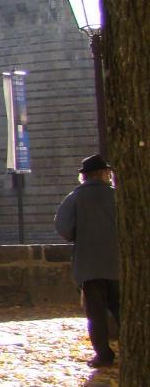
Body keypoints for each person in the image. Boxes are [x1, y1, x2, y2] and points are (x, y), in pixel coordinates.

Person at [54, 154, 120, 367]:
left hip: (89, 265)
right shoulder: (117, 196)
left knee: (96, 314)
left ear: (85, 176)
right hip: (118, 263)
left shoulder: (74, 198)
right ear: (103, 174)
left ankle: (103, 355)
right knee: (123, 309)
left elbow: (64, 229)